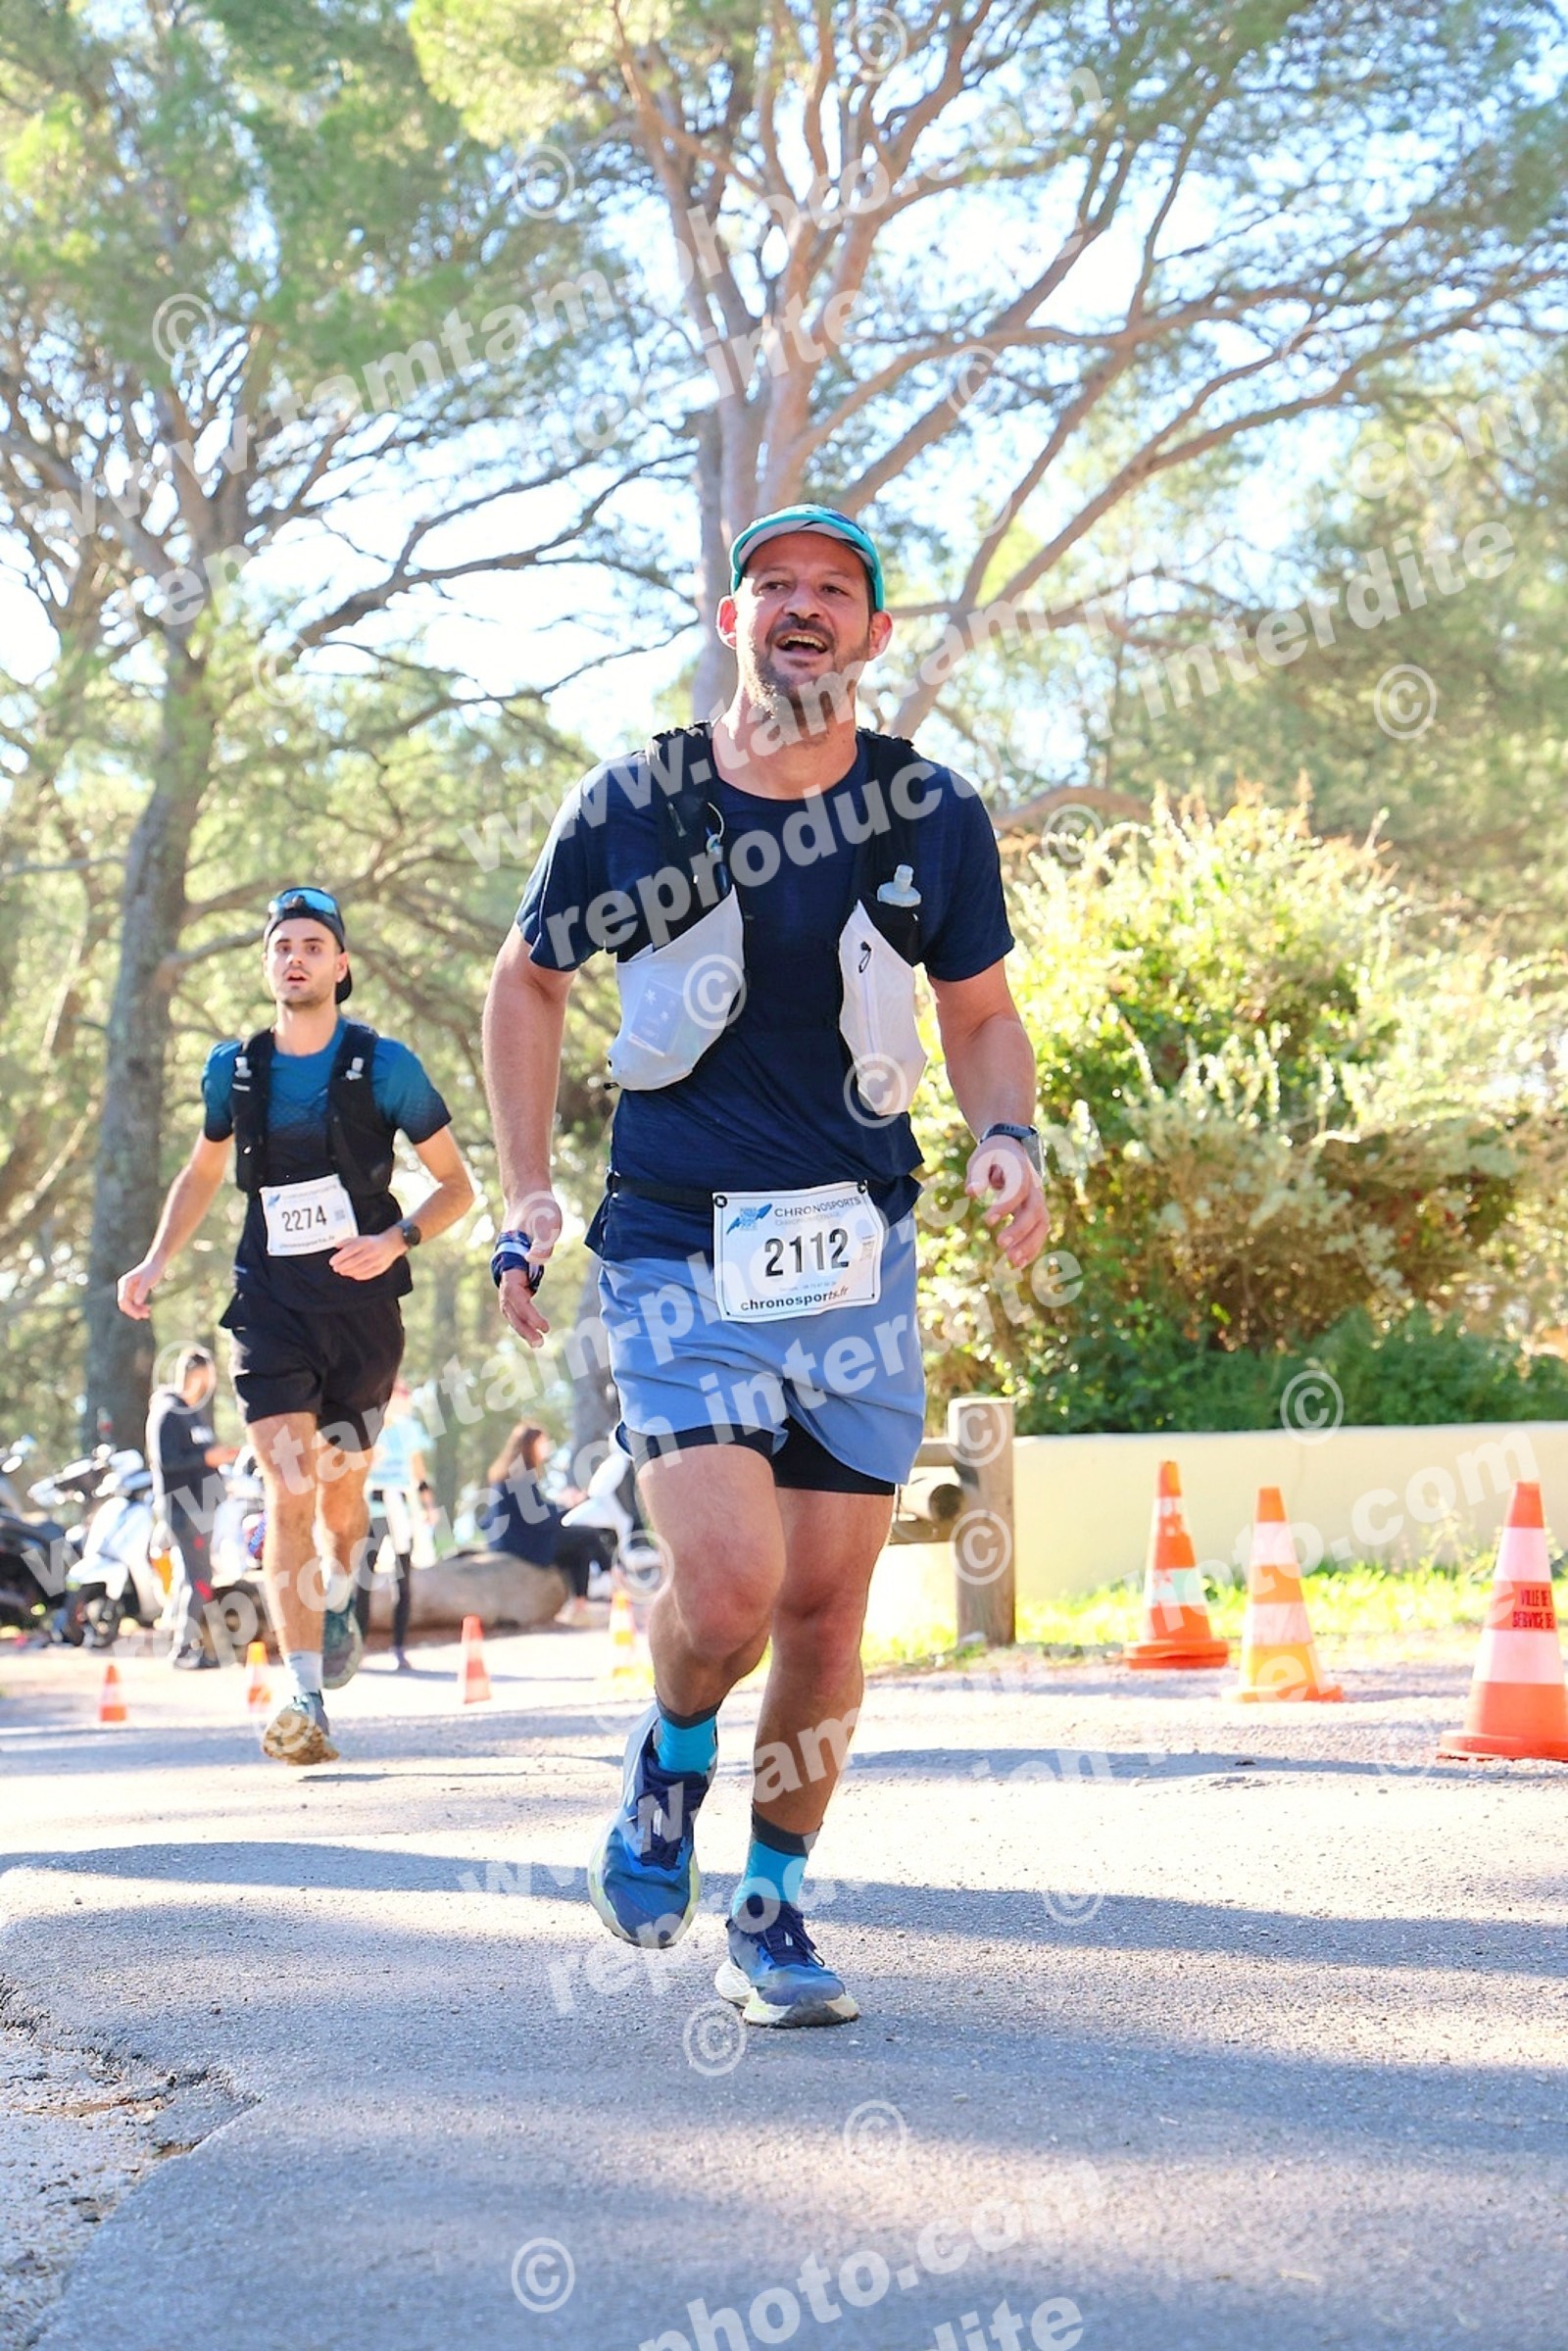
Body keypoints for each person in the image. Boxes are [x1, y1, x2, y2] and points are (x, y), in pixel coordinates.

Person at [483, 504, 1048, 2027]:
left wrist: (1007, 1133)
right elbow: (528, 981)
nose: (803, 607)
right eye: (774, 585)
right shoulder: (636, 804)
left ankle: (772, 1907)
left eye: (835, 590)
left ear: (873, 632)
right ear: (731, 619)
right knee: (731, 1585)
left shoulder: (929, 812)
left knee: (823, 1614)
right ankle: (671, 1759)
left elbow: (982, 1011)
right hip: (680, 1244)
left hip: (857, 1256)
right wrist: (528, 1188)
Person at [118, 886, 474, 1765]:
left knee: (341, 1497)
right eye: (282, 946)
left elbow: (457, 1186)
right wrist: (156, 1260)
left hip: (362, 1312)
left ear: (341, 964)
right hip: (270, 1305)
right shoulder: (235, 1071)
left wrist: (396, 1238)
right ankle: (305, 1695)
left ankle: (342, 1585)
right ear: (266, 964)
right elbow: (203, 1174)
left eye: (313, 945)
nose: (296, 958)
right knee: (288, 1485)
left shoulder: (384, 1066)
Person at [146, 1346, 238, 1668]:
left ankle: (185, 1643)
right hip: (183, 1509)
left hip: (202, 1507)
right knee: (200, 1578)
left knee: (191, 1577)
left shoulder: (192, 1413)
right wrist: (206, 1458)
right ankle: (184, 1648)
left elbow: (200, 1454)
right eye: (208, 1374)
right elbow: (167, 1461)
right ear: (196, 1374)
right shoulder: (168, 1413)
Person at [478, 1422, 611, 1625]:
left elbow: (533, 1512)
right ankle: (612, 1577)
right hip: (521, 1543)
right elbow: (539, 1519)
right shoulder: (520, 1476)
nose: (547, 1448)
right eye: (542, 1443)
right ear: (529, 1445)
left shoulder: (511, 1474)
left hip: (511, 1539)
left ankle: (580, 1607)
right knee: (588, 1535)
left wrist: (561, 1506)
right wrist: (567, 1505)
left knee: (580, 1549)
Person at [358, 1379, 437, 1670]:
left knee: (402, 1580)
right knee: (364, 1578)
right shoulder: (367, 1428)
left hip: (402, 1509)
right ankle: (358, 1646)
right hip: (373, 1508)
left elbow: (418, 1473)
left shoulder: (409, 1430)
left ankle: (399, 1647)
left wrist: (429, 1506)